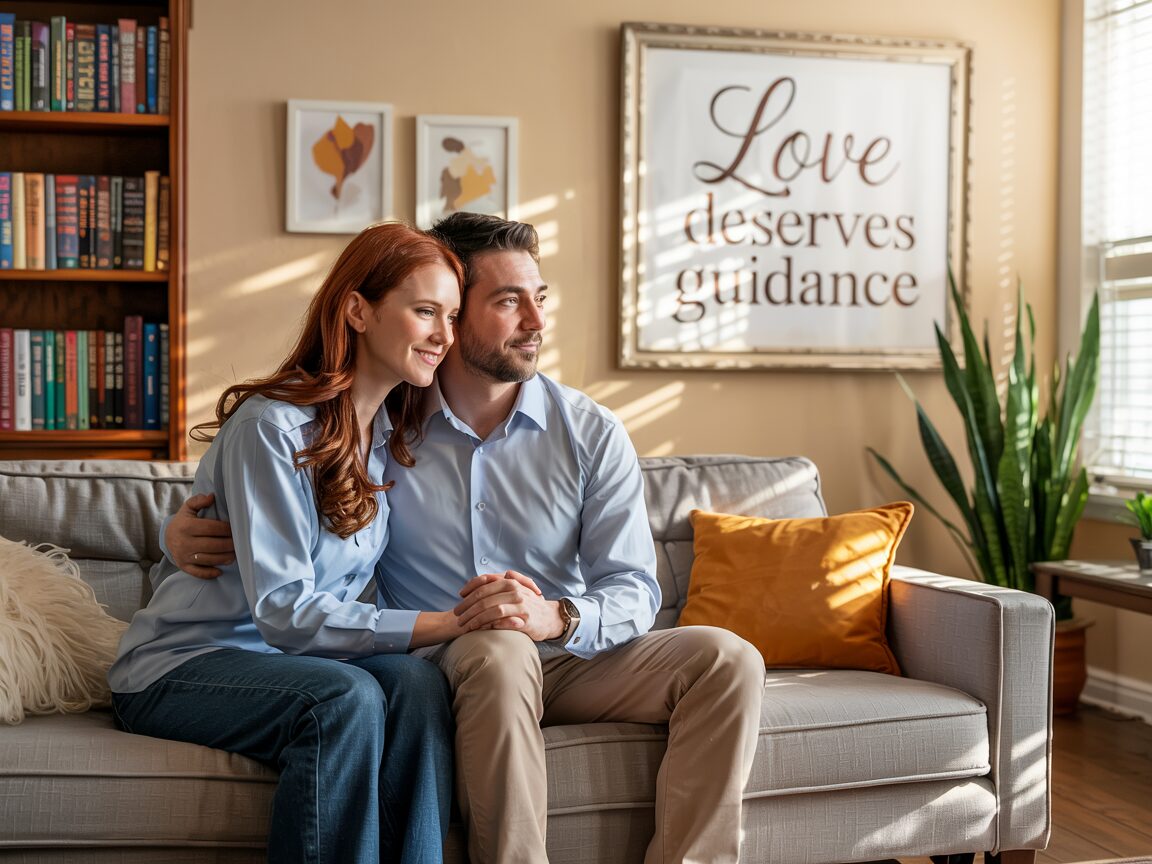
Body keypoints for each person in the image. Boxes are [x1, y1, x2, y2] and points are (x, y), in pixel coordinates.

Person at [165, 213, 766, 864]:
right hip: (457, 658)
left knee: (727, 659)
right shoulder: (385, 417)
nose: (535, 322)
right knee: (498, 651)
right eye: (507, 302)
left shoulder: (590, 432)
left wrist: (557, 616)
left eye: (540, 298)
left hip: (566, 655)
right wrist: (181, 530)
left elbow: (634, 589)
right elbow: (282, 489)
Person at [108, 222, 482, 864]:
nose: (444, 336)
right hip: (182, 666)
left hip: (292, 662)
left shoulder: (387, 437)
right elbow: (283, 611)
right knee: (344, 699)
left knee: (418, 687)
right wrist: (448, 622)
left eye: (451, 316)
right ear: (357, 310)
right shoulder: (273, 428)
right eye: (425, 311)